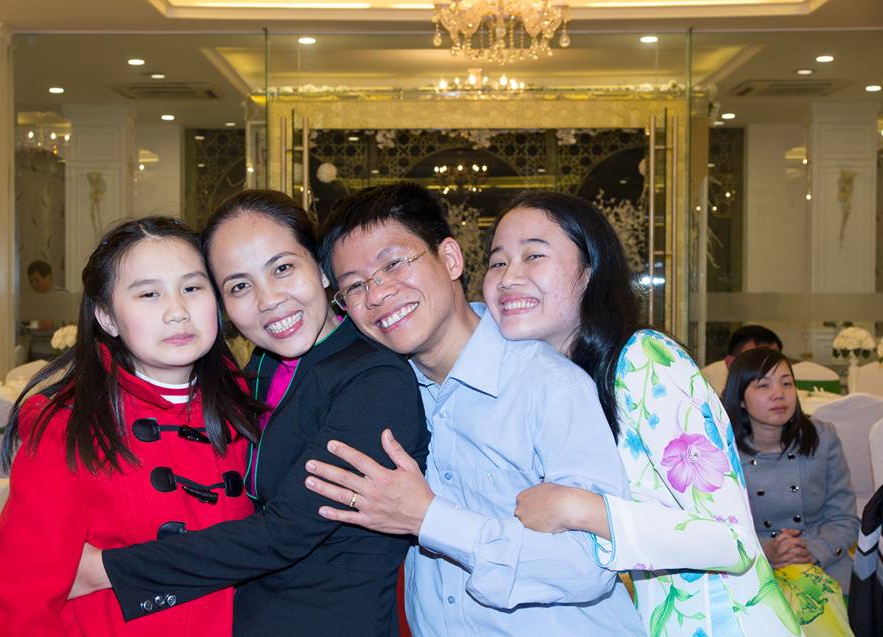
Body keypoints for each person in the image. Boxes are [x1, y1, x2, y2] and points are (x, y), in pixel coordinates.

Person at [308, 190, 801, 636]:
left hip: (717, 619)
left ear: (590, 269)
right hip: (648, 612)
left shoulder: (638, 362)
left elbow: (732, 540)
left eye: (534, 256)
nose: (509, 277)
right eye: (498, 262)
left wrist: (581, 508)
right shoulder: (399, 389)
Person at [74, 190, 429, 636]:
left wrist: (106, 570)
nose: (268, 300)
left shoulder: (373, 379)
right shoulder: (263, 365)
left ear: (320, 267)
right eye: (239, 286)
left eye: (282, 268)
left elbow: (284, 534)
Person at [304, 182, 644, 635]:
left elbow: (593, 563)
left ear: (450, 259)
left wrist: (429, 518)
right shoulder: (382, 396)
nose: (378, 294)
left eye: (394, 264)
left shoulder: (547, 385)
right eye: (355, 286)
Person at [0, 216, 263, 636]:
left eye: (192, 288)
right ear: (107, 317)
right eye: (149, 294)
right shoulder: (70, 424)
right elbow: (22, 600)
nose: (177, 311)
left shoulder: (244, 398)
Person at [724, 347, 858, 636]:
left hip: (825, 564)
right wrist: (768, 550)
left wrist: (810, 551)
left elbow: (845, 519)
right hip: (755, 569)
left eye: (786, 383)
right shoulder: (723, 450)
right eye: (764, 385)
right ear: (741, 399)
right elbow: (720, 528)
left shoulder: (822, 438)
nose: (779, 394)